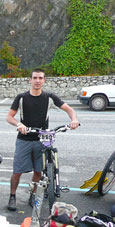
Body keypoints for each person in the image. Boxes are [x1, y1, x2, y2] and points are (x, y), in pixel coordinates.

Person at [5, 69, 79, 211]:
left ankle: (33, 196)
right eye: (35, 78)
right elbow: (9, 117)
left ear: (44, 80)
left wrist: (74, 119)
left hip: (42, 139)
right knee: (17, 171)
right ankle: (12, 196)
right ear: (30, 80)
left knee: (38, 171)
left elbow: (69, 109)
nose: (37, 80)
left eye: (40, 78)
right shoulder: (21, 98)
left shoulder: (49, 97)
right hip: (24, 139)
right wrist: (19, 124)